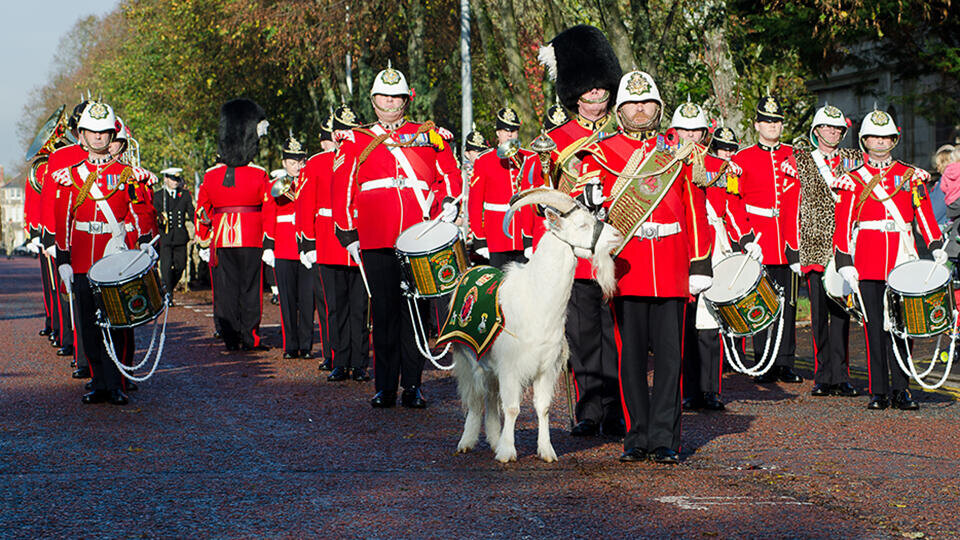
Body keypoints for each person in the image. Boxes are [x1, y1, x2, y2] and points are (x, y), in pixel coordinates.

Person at [577, 71, 712, 463]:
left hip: (671, 266)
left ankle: (666, 437)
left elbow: (694, 210)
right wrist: (589, 198)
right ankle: (637, 436)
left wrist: (699, 262)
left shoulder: (677, 154)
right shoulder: (600, 153)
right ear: (620, 109)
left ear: (658, 107)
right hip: (629, 266)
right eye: (633, 103)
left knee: (671, 360)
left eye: (647, 102)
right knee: (630, 357)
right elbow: (585, 205)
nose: (641, 109)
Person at [332, 64, 462, 408]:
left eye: (396, 97)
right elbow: (343, 186)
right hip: (376, 238)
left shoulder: (428, 134)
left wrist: (449, 202)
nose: (390, 103)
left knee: (416, 313)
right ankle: (385, 385)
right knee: (385, 313)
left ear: (407, 100)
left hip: (419, 235)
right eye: (384, 97)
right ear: (373, 100)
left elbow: (448, 173)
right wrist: (348, 233)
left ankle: (413, 385)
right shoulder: (356, 138)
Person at [539, 24, 625, 438]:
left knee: (620, 334)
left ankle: (618, 407)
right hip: (578, 248)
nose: (595, 96)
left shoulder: (625, 134)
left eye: (601, 89)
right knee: (583, 332)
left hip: (618, 242)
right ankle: (589, 407)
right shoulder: (557, 142)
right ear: (575, 93)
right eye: (587, 90)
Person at [833, 108, 944, 410]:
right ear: (864, 140)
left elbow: (923, 214)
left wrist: (934, 243)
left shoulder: (909, 176)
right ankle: (878, 390)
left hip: (902, 258)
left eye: (885, 137)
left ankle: (902, 388)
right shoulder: (852, 179)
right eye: (874, 137)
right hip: (868, 260)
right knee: (874, 328)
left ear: (894, 139)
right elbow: (842, 224)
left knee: (903, 327)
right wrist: (844, 261)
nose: (880, 142)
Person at [53, 101, 155, 405]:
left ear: (112, 136)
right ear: (81, 136)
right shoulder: (69, 176)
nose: (98, 138)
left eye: (104, 133)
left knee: (118, 324)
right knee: (89, 323)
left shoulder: (128, 174)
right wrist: (63, 260)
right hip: (84, 258)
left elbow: (140, 215)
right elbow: (65, 221)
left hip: (116, 260)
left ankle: (117, 383)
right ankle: (99, 382)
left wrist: (142, 246)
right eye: (92, 132)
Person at [669, 102, 751, 412]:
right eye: (685, 130)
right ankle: (687, 390)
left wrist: (746, 238)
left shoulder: (721, 167)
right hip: (679, 244)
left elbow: (733, 205)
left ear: (704, 133)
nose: (690, 136)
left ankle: (711, 389)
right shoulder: (666, 162)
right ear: (675, 132)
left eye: (696, 130)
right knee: (683, 324)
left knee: (710, 323)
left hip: (712, 244)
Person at [730, 96, 803, 384]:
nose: (772, 126)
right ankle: (763, 360)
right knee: (760, 302)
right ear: (757, 124)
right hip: (758, 239)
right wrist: (746, 238)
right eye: (767, 121)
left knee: (789, 303)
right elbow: (734, 202)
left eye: (777, 121)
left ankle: (785, 361)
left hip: (788, 241)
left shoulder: (795, 156)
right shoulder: (741, 158)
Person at [794, 104, 863, 397]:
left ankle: (841, 374)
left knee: (842, 313)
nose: (833, 133)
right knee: (819, 314)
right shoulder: (800, 160)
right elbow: (791, 205)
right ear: (816, 130)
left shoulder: (855, 160)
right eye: (827, 128)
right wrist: (793, 248)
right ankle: (822, 374)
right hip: (813, 243)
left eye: (837, 129)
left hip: (845, 243)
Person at [300, 104, 371, 381]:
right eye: (341, 130)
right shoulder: (318, 162)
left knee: (360, 307)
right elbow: (306, 204)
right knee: (335, 307)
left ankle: (360, 362)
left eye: (350, 130)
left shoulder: (364, 156)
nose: (344, 135)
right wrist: (308, 242)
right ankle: (339, 360)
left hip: (359, 236)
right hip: (330, 240)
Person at [196, 98, 270, 352]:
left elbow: (202, 209)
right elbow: (268, 208)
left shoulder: (210, 176)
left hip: (222, 237)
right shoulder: (258, 174)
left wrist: (203, 236)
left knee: (227, 291)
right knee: (250, 290)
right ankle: (250, 337)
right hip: (251, 235)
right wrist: (270, 240)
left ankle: (230, 336)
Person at [468, 106, 542, 269]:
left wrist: (533, 237)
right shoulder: (484, 161)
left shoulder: (530, 158)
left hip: (525, 235)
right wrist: (479, 239)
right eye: (505, 130)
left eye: (514, 130)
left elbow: (537, 203)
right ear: (497, 133)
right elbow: (475, 203)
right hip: (497, 236)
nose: (509, 134)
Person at [263, 136, 314, 359]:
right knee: (287, 300)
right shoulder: (276, 187)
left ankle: (306, 345)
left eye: (300, 161)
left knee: (307, 300)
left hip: (306, 248)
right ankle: (290, 346)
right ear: (284, 163)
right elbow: (268, 216)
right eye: (292, 162)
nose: (297, 166)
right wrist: (268, 246)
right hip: (284, 248)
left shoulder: (310, 181)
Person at [153, 167, 195, 304]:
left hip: (180, 236)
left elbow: (192, 213)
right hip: (165, 236)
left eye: (177, 179)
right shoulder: (159, 196)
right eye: (172, 179)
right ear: (165, 179)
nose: (175, 182)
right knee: (165, 267)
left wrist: (200, 230)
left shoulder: (185, 195)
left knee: (180, 265)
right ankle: (169, 293)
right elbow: (154, 215)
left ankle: (168, 287)